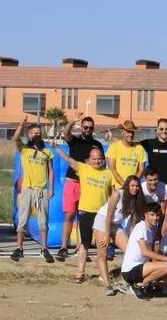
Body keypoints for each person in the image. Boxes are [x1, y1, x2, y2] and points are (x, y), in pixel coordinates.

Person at [51, 144, 112, 288]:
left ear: (103, 160)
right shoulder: (83, 169)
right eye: (94, 159)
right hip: (86, 212)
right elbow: (68, 159)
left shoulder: (108, 174)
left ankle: (102, 274)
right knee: (84, 243)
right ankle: (80, 271)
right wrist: (57, 148)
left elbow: (111, 194)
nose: (97, 161)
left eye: (100, 159)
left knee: (101, 245)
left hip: (101, 214)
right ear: (88, 160)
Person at [56, 111, 104, 261]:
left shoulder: (97, 145)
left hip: (88, 184)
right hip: (73, 182)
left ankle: (81, 248)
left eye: (90, 128)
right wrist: (72, 121)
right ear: (81, 128)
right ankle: (63, 247)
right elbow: (65, 133)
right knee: (69, 215)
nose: (88, 130)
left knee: (82, 218)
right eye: (85, 127)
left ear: (93, 128)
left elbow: (101, 163)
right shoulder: (75, 141)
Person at [12, 116, 55, 262]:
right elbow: (15, 138)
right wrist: (20, 125)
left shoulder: (47, 151)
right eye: (34, 132)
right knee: (22, 220)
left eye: (39, 132)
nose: (37, 134)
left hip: (42, 189)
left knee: (43, 221)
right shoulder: (24, 149)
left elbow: (51, 170)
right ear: (29, 135)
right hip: (27, 189)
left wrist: (51, 188)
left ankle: (44, 249)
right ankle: (20, 248)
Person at [92, 175, 145, 287]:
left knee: (131, 251)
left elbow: (134, 220)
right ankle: (107, 284)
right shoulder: (117, 194)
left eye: (137, 186)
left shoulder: (135, 200)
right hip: (103, 221)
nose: (135, 188)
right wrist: (107, 234)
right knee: (103, 254)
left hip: (115, 224)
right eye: (132, 185)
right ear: (127, 186)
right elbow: (109, 215)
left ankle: (119, 274)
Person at [122, 203, 167, 300]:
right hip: (130, 270)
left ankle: (144, 285)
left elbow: (151, 254)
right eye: (152, 215)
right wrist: (166, 258)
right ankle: (138, 285)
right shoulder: (141, 227)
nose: (155, 218)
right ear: (145, 215)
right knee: (166, 266)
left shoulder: (150, 230)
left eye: (157, 215)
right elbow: (145, 252)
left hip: (141, 267)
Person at [140, 118, 167, 202]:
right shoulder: (149, 143)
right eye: (161, 129)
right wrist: (113, 139)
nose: (164, 131)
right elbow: (131, 144)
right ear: (157, 130)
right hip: (152, 184)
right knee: (150, 212)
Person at [105, 119, 147, 188]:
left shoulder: (139, 148)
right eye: (128, 132)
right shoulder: (114, 147)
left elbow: (141, 170)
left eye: (132, 132)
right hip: (117, 188)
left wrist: (133, 185)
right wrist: (124, 184)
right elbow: (112, 169)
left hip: (133, 189)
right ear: (122, 132)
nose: (130, 134)